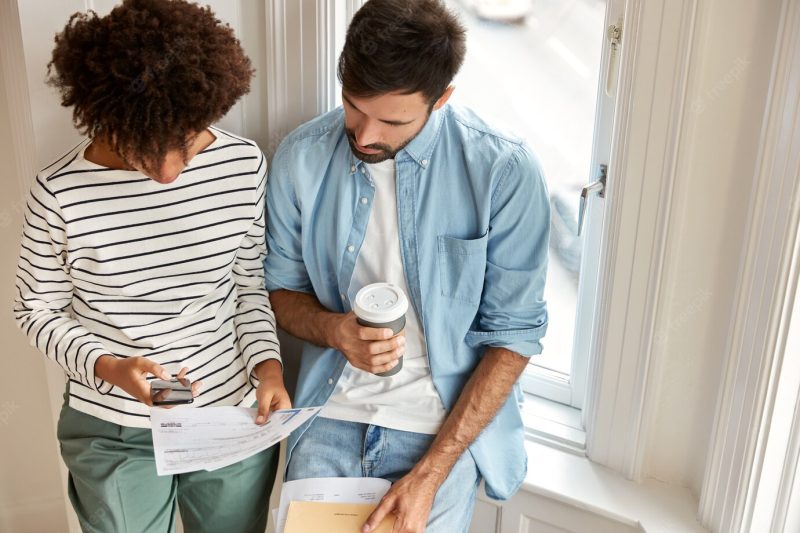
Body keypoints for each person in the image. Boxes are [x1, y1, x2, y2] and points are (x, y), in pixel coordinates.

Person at [265, 0, 550, 531]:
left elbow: (514, 337)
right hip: (330, 414)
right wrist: (335, 331)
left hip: (441, 428)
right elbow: (280, 290)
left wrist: (430, 474)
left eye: (392, 120)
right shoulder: (301, 157)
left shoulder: (503, 171)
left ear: (442, 99)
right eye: (353, 105)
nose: (365, 135)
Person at [13, 1, 290, 531]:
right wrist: (111, 368)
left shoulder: (242, 165)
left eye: (184, 144)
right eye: (143, 148)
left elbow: (248, 285)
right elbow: (35, 311)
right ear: (105, 117)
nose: (167, 172)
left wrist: (268, 367)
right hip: (114, 428)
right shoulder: (59, 193)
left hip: (227, 411)